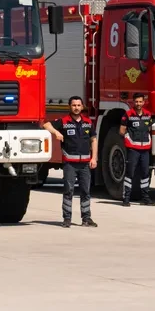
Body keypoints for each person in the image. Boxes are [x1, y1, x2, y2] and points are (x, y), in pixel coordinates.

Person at [43, 96, 98, 227]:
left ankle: (86, 218)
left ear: (82, 106)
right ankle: (67, 219)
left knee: (86, 191)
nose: (76, 107)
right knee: (69, 191)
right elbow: (46, 124)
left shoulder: (88, 123)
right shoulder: (64, 121)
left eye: (79, 105)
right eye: (74, 105)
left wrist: (94, 158)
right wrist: (56, 132)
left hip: (85, 164)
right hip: (69, 164)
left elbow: (94, 140)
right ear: (69, 106)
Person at [119, 93, 154, 206]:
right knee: (130, 173)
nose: (138, 104)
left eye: (140, 101)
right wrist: (129, 139)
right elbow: (121, 131)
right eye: (136, 102)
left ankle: (146, 198)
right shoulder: (127, 115)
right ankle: (126, 198)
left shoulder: (148, 115)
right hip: (133, 149)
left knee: (145, 174)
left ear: (144, 102)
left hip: (145, 149)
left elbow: (149, 129)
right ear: (133, 102)